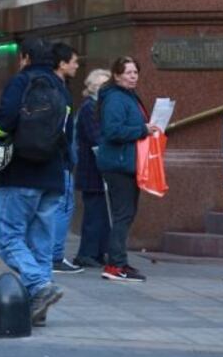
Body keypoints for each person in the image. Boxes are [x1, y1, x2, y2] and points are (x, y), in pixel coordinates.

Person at [0, 37, 73, 326]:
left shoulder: (21, 81)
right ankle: (38, 310)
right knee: (41, 244)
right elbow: (66, 133)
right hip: (53, 176)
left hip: (20, 173)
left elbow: (5, 120)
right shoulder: (60, 86)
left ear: (24, 57)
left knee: (7, 238)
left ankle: (39, 286)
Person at [95, 56, 158, 283]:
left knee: (126, 214)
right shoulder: (115, 98)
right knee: (123, 215)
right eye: (129, 72)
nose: (133, 76)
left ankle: (118, 261)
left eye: (136, 72)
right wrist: (142, 129)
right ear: (117, 75)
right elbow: (113, 131)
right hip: (118, 164)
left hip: (127, 163)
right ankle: (115, 265)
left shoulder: (126, 96)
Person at [49, 42, 83, 274]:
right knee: (64, 204)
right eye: (74, 61)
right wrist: (67, 154)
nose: (77, 65)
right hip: (58, 156)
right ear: (61, 64)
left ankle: (49, 253)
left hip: (51, 155)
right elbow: (61, 127)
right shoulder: (59, 90)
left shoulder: (51, 85)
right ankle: (55, 256)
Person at [73, 68, 112, 268]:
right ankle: (86, 253)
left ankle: (98, 252)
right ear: (92, 87)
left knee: (102, 214)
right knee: (94, 215)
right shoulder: (89, 107)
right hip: (92, 170)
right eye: (101, 85)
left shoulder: (99, 106)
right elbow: (95, 137)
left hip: (98, 169)